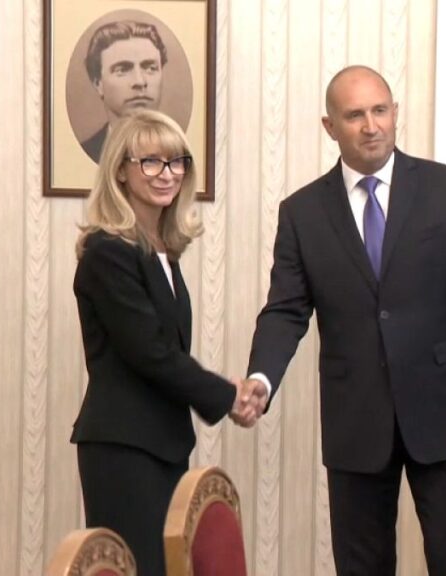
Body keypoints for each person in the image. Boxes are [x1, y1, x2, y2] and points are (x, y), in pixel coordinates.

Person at [245, 66, 446, 575]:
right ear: (330, 127)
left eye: (380, 110)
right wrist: (262, 377)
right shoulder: (302, 212)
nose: (371, 125)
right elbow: (285, 309)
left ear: (395, 114)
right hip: (356, 421)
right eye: (354, 115)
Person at [72, 109, 266, 575]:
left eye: (176, 162)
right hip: (124, 446)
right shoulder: (107, 251)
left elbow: (166, 351)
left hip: (162, 441)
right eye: (151, 163)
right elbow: (150, 353)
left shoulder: (161, 250)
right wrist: (227, 396)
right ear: (121, 169)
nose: (167, 174)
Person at [80, 20, 167, 162]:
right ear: (98, 83)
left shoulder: (182, 151)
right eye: (122, 70)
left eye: (150, 68)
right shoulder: (85, 153)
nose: (140, 82)